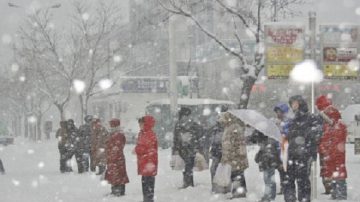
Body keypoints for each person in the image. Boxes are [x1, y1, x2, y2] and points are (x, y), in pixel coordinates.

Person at [283, 95, 322, 202]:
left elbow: (315, 137)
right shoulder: (292, 119)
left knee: (303, 182)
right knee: (288, 181)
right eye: (291, 103)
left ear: (300, 103)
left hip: (304, 155)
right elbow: (290, 137)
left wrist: (311, 154)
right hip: (291, 155)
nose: (293, 105)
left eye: (295, 103)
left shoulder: (310, 118)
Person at [316, 95, 347, 200]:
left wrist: (325, 148)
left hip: (334, 153)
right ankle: (335, 194)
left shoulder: (336, 125)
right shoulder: (330, 125)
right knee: (334, 173)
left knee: (338, 174)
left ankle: (340, 194)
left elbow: (334, 141)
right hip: (331, 153)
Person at [218, 111, 248, 198]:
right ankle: (241, 192)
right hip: (233, 156)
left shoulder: (234, 128)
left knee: (236, 175)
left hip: (236, 157)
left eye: (223, 121)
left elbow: (237, 144)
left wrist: (231, 155)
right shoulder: (229, 128)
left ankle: (238, 193)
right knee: (237, 174)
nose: (222, 123)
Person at [172, 107, 203, 188]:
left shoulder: (194, 125)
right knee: (186, 165)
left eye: (188, 115)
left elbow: (198, 136)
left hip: (191, 148)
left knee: (190, 165)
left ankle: (189, 183)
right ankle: (187, 182)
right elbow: (175, 138)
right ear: (181, 116)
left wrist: (195, 143)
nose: (187, 117)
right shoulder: (178, 125)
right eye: (185, 115)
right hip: (182, 149)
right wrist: (175, 149)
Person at [252, 131, 281, 202]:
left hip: (268, 166)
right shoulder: (266, 147)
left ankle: (268, 196)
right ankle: (270, 196)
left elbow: (262, 158)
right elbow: (257, 158)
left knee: (269, 181)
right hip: (267, 166)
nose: (258, 144)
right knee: (269, 181)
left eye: (259, 143)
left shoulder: (268, 147)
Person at [134, 116, 158, 202]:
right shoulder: (143, 133)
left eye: (141, 124)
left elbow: (145, 148)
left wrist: (136, 149)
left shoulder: (149, 134)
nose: (139, 125)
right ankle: (147, 200)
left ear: (146, 124)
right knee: (146, 184)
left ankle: (148, 200)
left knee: (148, 185)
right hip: (145, 163)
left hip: (148, 163)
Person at [105, 118, 129, 196]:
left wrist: (112, 156)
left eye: (111, 125)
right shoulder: (116, 134)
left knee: (116, 175)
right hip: (116, 158)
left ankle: (117, 191)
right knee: (118, 175)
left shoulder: (117, 135)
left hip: (115, 159)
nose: (110, 126)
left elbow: (117, 148)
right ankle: (118, 190)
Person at [273, 103, 291, 195]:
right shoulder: (276, 122)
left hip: (285, 149)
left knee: (285, 169)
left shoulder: (288, 122)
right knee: (280, 170)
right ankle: (283, 187)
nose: (277, 113)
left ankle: (287, 187)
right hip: (277, 149)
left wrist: (281, 128)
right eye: (276, 112)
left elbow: (288, 135)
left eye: (279, 111)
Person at [209, 106, 227, 193]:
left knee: (223, 170)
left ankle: (222, 187)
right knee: (213, 169)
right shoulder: (216, 127)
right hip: (217, 151)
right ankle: (215, 187)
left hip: (224, 152)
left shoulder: (228, 127)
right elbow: (213, 140)